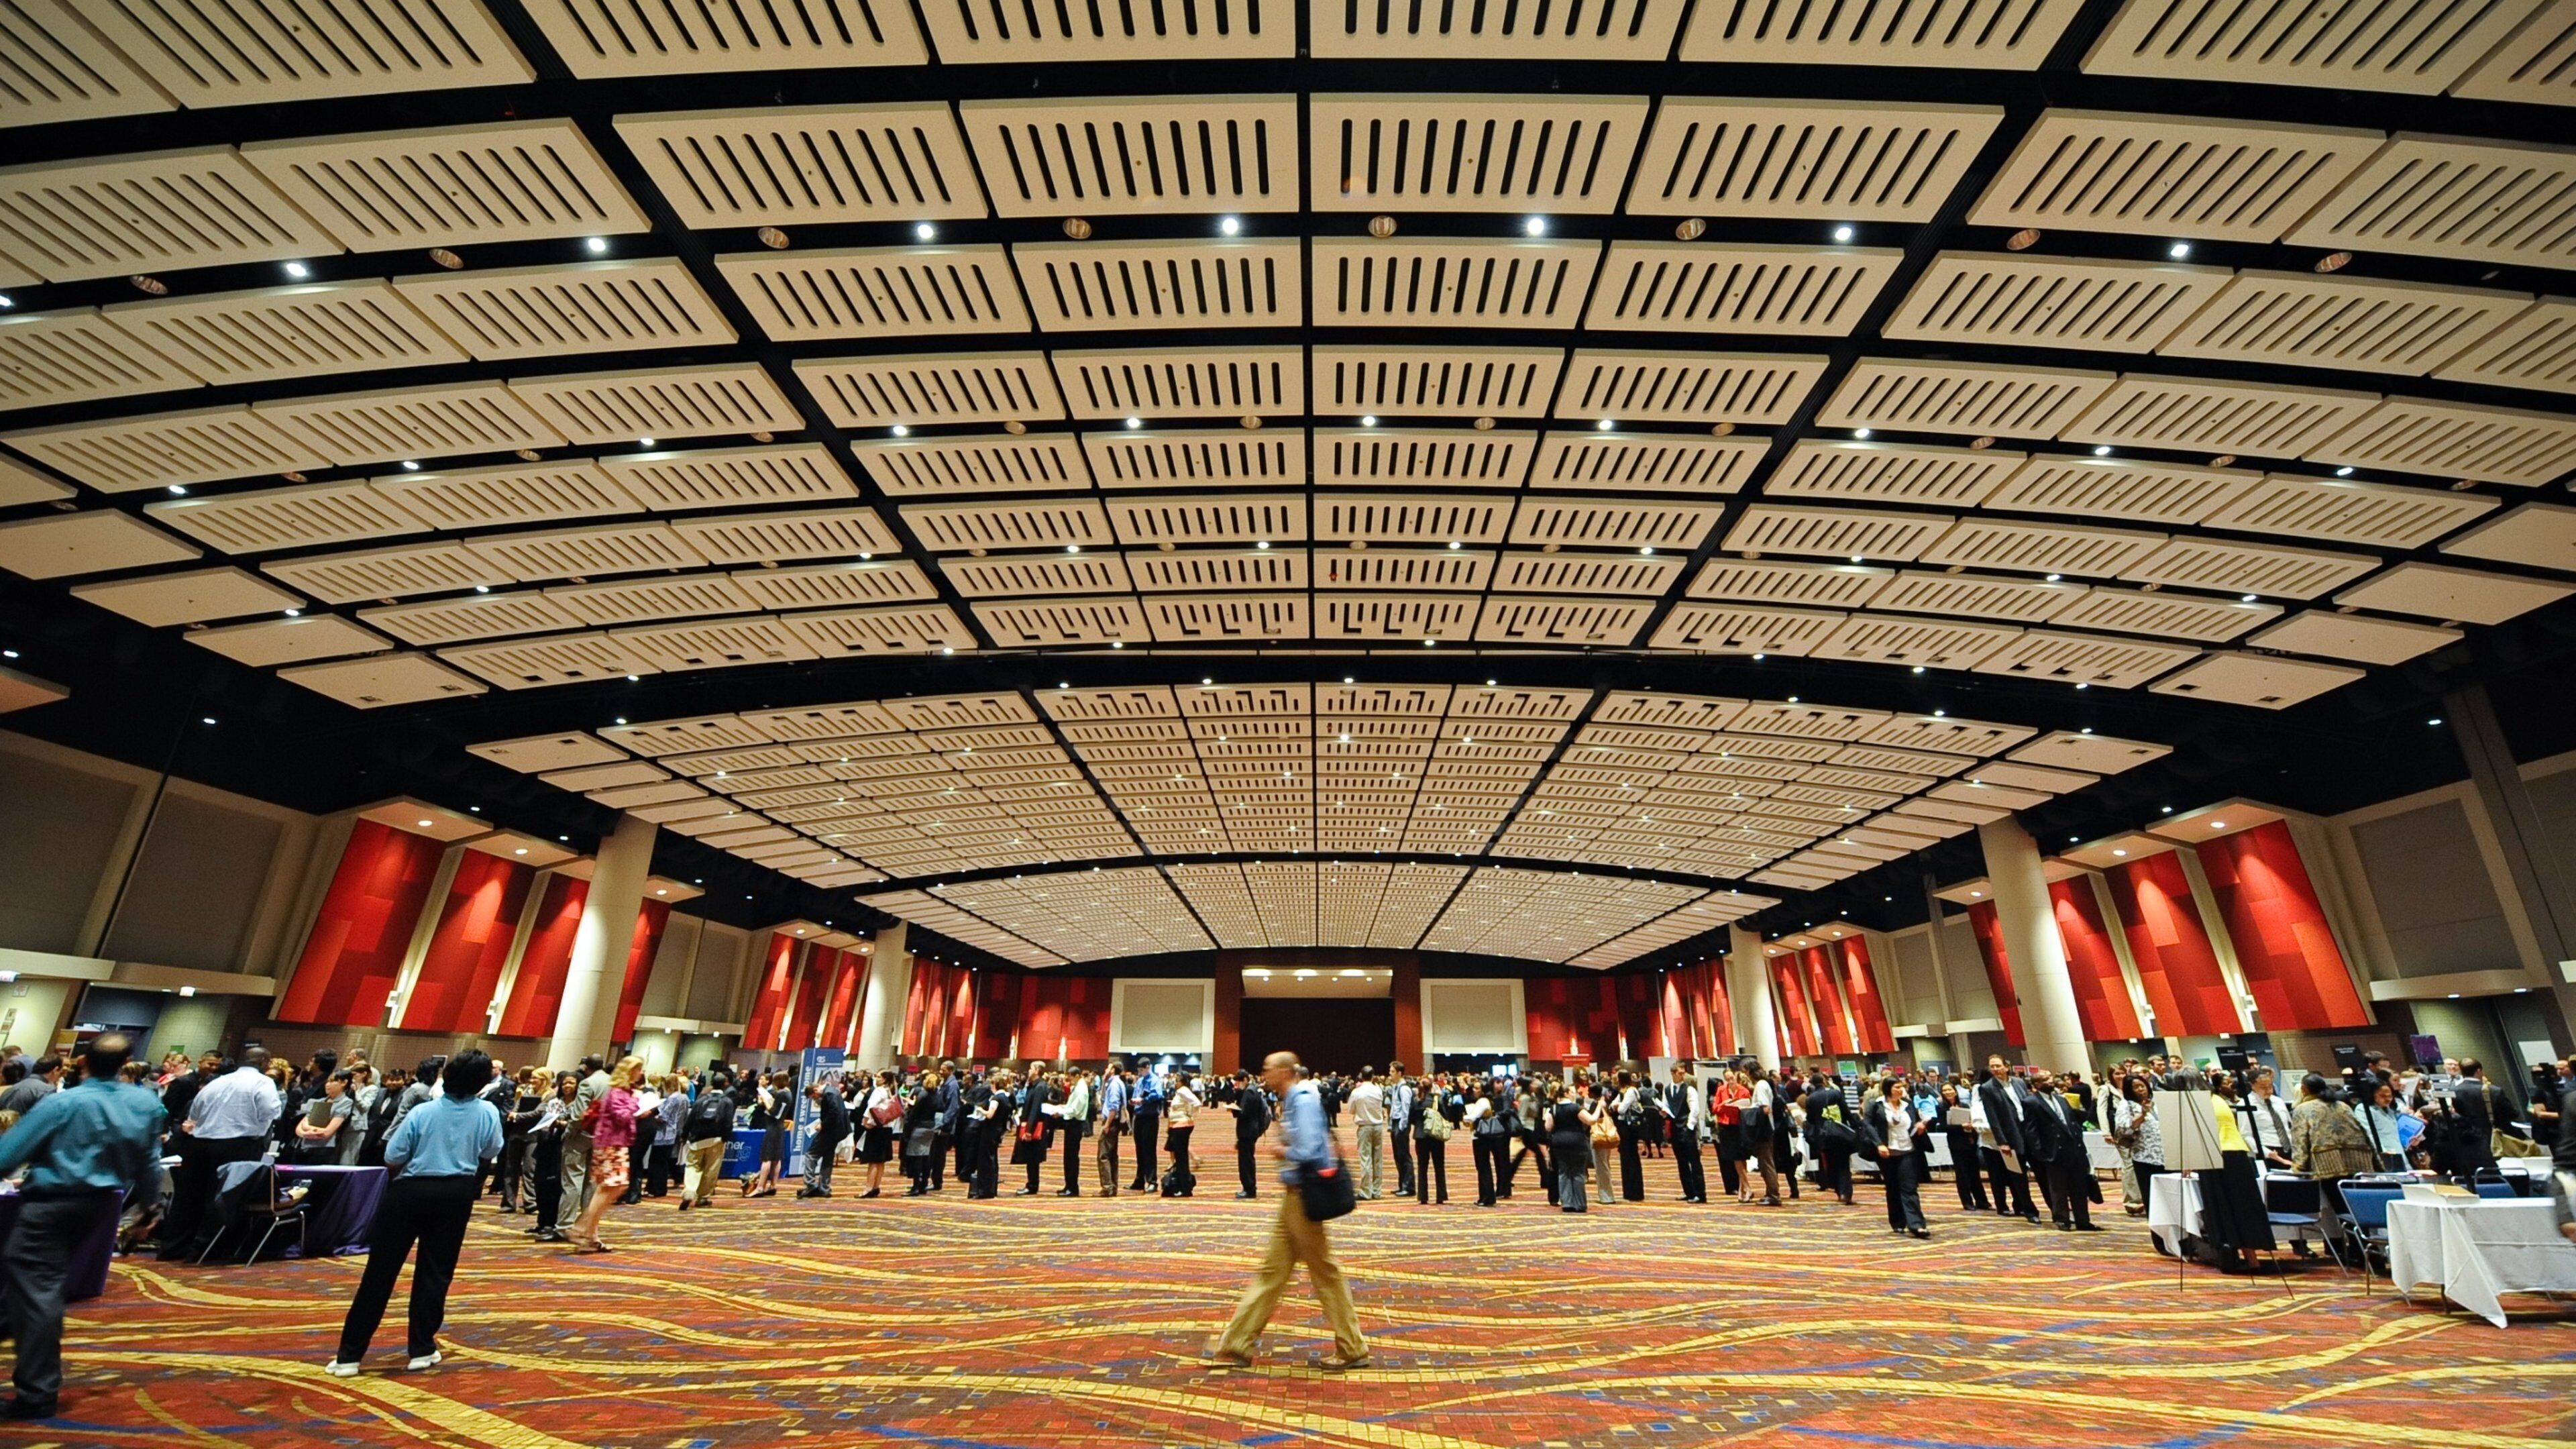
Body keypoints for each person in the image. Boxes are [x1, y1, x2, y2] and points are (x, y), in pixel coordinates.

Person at [0, 1034, 162, 1419]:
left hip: (51, 1204)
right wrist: (148, 1210)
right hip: (101, 1207)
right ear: (126, 1062)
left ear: (83, 1062)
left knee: (38, 1289)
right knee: (30, 1280)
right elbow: (149, 1162)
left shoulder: (63, 1103)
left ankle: (37, 1393)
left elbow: (8, 1155)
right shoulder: (145, 1103)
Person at [324, 1049, 502, 1379]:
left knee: (380, 1272)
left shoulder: (423, 1112)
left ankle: (350, 1355)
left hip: (410, 1191)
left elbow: (393, 1155)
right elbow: (492, 1150)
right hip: (456, 1194)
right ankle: (421, 1349)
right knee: (436, 1272)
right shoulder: (488, 1111)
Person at [1206, 1055, 1367, 1370]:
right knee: (1272, 1272)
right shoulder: (1293, 1099)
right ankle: (1237, 1344)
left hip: (1303, 1198)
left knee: (1324, 1273)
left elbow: (1308, 1148)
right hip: (1293, 1197)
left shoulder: (1302, 1100)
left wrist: (1282, 1151)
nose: (1264, 1074)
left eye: (1268, 1069)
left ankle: (1353, 1348)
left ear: (1283, 1072)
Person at [159, 1046, 280, 1260]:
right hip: (238, 1145)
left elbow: (195, 1112)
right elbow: (271, 1112)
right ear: (264, 1062)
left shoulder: (218, 1082)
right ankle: (203, 1252)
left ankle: (173, 1248)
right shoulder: (263, 1082)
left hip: (199, 1144)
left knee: (188, 1198)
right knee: (221, 1199)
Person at [565, 1057, 641, 1253]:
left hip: (613, 1143)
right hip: (611, 1144)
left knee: (607, 1189)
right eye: (638, 1069)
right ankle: (582, 1229)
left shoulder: (623, 1092)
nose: (640, 1074)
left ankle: (590, 1234)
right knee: (612, 1187)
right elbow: (621, 1117)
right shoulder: (618, 1092)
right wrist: (635, 1103)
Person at [2021, 1069, 2098, 1232]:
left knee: (2079, 1187)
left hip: (2074, 1149)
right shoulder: (2031, 1102)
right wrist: (2040, 1153)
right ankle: (2062, 1219)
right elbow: (2031, 1130)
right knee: (2059, 1188)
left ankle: (2083, 1221)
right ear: (2037, 1085)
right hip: (2053, 1151)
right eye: (2045, 1079)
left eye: (2050, 1077)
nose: (2050, 1081)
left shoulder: (2062, 1099)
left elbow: (2073, 1122)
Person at [1975, 1057, 2039, 1223]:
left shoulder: (2019, 1082)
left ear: (2006, 1066)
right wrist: (2002, 1142)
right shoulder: (1987, 1088)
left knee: (2042, 1173)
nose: (1995, 1069)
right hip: (2011, 1138)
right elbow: (1993, 1118)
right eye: (1992, 1067)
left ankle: (2056, 1210)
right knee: (2019, 1177)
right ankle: (2029, 1211)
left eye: (1998, 1066)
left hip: (2029, 1133)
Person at [1864, 1077, 1931, 1238]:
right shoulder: (1876, 1105)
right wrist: (1879, 1144)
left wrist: (1919, 1127)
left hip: (1908, 1150)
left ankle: (1916, 1225)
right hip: (1887, 1152)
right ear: (1888, 1089)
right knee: (1892, 1187)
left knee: (1909, 1188)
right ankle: (1898, 1222)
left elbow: (1914, 1121)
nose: (1900, 1090)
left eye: (1902, 1087)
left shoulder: (1908, 1104)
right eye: (1897, 1087)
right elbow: (1868, 1125)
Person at [2290, 1072, 2377, 1185]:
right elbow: (2363, 1132)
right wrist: (2377, 1162)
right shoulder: (2343, 1106)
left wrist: (2298, 1168)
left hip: (2325, 1165)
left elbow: (2300, 1141)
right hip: (2357, 1161)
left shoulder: (2302, 1109)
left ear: (2303, 1089)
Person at [2107, 1074, 2163, 1214]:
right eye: (2136, 1087)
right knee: (2153, 1197)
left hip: (2166, 1156)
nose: (2141, 1090)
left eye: (2142, 1086)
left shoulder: (2157, 1101)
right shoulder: (2126, 1105)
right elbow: (2123, 1129)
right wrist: (2142, 1114)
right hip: (2145, 1157)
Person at [679, 1071, 735, 1210]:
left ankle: (690, 1190)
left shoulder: (701, 1100)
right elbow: (728, 1123)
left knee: (693, 1165)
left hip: (697, 1139)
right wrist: (725, 1138)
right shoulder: (727, 1102)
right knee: (711, 1168)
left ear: (711, 1083)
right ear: (725, 1084)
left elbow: (690, 1119)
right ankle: (703, 1197)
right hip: (716, 1139)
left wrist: (684, 1135)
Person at [1804, 1071, 1856, 1206]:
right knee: (1843, 1164)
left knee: (1831, 1163)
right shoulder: (1835, 1093)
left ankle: (1839, 1190)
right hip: (1840, 1132)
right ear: (1824, 1081)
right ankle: (1846, 1193)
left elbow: (1810, 1120)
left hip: (1823, 1135)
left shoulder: (1810, 1099)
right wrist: (1856, 1126)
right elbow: (1846, 1112)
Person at [1936, 1082, 1988, 1211]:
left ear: (1955, 1091)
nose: (1948, 1092)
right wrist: (1961, 1127)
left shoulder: (1964, 1105)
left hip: (1970, 1142)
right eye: (1945, 1091)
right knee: (1962, 1174)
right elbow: (1942, 1127)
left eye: (1950, 1090)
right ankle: (1967, 1202)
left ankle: (1982, 1201)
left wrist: (1971, 1126)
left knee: (1975, 1173)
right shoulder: (1942, 1108)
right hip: (1956, 1144)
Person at [294, 1069, 361, 1165]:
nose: (327, 1085)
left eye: (332, 1081)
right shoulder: (320, 1101)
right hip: (303, 1147)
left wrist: (307, 1128)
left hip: (323, 1150)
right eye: (327, 1082)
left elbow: (326, 1132)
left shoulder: (345, 1102)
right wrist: (306, 1133)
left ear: (344, 1083)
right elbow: (299, 1129)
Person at [812, 1075, 861, 1199]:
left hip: (831, 1131)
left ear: (816, 1090)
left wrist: (823, 1124)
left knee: (811, 1156)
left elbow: (834, 1112)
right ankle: (824, 1187)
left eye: (813, 1097)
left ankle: (812, 1186)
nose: (815, 1099)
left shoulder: (829, 1094)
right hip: (836, 1131)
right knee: (828, 1158)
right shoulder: (833, 1091)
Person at [1549, 1085, 1597, 1212]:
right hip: (1577, 1142)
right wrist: (1599, 1108)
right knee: (1578, 1173)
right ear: (1566, 1093)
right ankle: (1580, 1204)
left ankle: (1567, 1203)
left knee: (1563, 1173)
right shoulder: (1576, 1108)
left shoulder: (1554, 1108)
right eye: (1573, 1092)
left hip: (1559, 1142)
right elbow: (1591, 1120)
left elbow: (1548, 1126)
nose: (1574, 1094)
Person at [1664, 1063, 1707, 1203]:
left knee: (1694, 1162)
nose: (1683, 1076)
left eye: (1683, 1073)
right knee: (1681, 1162)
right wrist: (1664, 1112)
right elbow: (1667, 1106)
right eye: (1680, 1073)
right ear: (1673, 1073)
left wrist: (1689, 1127)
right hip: (1675, 1130)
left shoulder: (1689, 1090)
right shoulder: (1667, 1090)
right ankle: (1688, 1191)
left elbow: (1695, 1110)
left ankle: (1700, 1193)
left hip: (1687, 1129)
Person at [745, 1071, 788, 1198]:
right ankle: (773, 1186)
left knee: (767, 1158)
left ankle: (760, 1187)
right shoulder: (788, 1093)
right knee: (776, 1158)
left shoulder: (781, 1094)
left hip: (773, 1128)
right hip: (779, 1127)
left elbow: (774, 1112)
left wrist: (764, 1101)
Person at [1229, 1070, 1271, 1199]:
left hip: (1248, 1131)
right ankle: (1249, 1187)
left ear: (1245, 1080)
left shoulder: (1249, 1092)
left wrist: (1234, 1109)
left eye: (1239, 1082)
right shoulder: (1252, 1090)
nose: (1237, 1085)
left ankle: (1249, 1188)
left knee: (1246, 1162)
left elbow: (1244, 1113)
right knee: (1247, 1160)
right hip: (1250, 1130)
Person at [1414, 1076, 1453, 1205]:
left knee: (1422, 1167)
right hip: (1436, 1137)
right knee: (1439, 1166)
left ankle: (1423, 1196)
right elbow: (1445, 1116)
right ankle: (1441, 1196)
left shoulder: (1416, 1100)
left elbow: (1411, 1118)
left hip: (1420, 1136)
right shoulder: (1437, 1099)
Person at [1348, 1070, 1387, 1201]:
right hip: (1378, 1127)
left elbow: (1351, 1110)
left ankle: (1365, 1191)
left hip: (1364, 1127)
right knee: (1378, 1159)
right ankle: (1377, 1191)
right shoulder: (1378, 1090)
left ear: (1361, 1076)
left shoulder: (1357, 1092)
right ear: (1373, 1076)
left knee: (1365, 1159)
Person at [1093, 1065, 1127, 1198]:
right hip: (1115, 1122)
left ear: (1113, 1070)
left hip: (1111, 1122)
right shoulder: (1116, 1083)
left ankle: (1107, 1187)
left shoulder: (1114, 1085)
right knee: (1112, 1156)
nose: (1105, 1070)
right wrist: (1103, 1081)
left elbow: (1114, 1107)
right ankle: (1112, 1186)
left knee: (1104, 1155)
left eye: (1108, 1068)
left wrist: (1107, 1124)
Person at [1163, 1073, 1200, 1195]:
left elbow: (1197, 1103)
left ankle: (1185, 1188)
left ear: (1183, 1082)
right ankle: (1184, 1186)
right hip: (1178, 1126)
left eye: (1178, 1081)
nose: (1176, 1083)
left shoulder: (1183, 1091)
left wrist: (1189, 1114)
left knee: (1181, 1158)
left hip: (1182, 1126)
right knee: (1181, 1157)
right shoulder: (1181, 1092)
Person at [1385, 1064, 1416, 1200]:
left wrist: (1403, 1126)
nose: (1390, 1074)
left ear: (1399, 1073)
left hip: (1401, 1124)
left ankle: (1409, 1187)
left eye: (1392, 1071)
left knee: (1404, 1155)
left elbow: (1405, 1108)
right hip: (1395, 1123)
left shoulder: (1404, 1089)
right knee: (1398, 1156)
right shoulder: (1395, 1087)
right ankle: (1402, 1184)